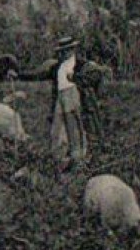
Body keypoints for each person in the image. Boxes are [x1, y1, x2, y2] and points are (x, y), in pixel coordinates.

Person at [10, 35, 90, 170]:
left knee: (74, 127)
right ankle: (59, 159)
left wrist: (76, 78)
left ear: (73, 50)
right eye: (62, 51)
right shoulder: (57, 67)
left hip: (73, 95)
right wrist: (18, 75)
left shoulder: (81, 64)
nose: (65, 53)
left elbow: (91, 78)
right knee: (57, 127)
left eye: (67, 50)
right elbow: (38, 75)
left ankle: (79, 160)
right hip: (60, 97)